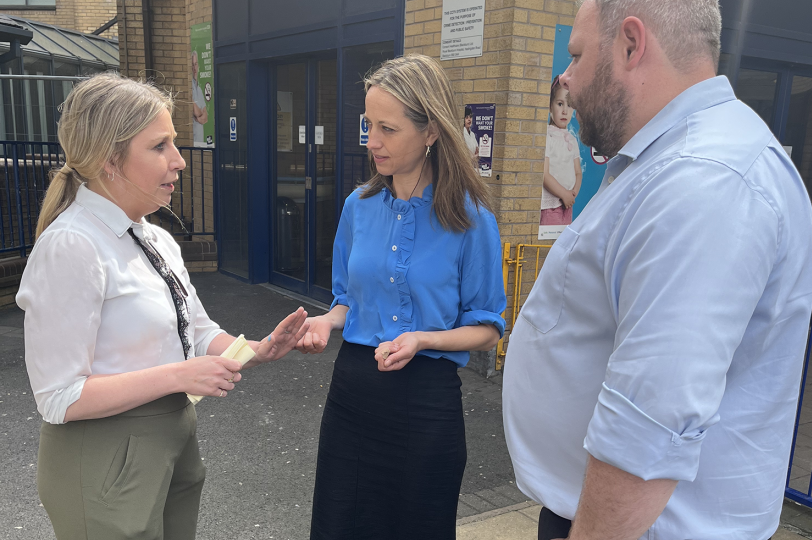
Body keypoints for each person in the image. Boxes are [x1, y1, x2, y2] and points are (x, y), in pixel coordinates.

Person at [502, 0, 812, 539]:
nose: (565, 77)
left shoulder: (702, 179)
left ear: (630, 44)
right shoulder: (668, 161)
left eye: (576, 56)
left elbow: (649, 422)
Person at [16, 73, 309, 540]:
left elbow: (193, 331)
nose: (179, 161)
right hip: (105, 462)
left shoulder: (156, 238)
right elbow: (58, 396)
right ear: (110, 160)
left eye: (174, 143)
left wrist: (255, 349)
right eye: (160, 146)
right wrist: (177, 376)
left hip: (171, 445)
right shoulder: (72, 245)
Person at [296, 54, 506, 540]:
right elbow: (347, 298)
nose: (373, 142)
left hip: (425, 403)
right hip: (352, 394)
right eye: (369, 125)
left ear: (431, 130)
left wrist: (422, 339)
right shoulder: (358, 207)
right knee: (339, 523)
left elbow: (488, 328)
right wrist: (328, 322)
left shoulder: (471, 219)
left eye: (388, 129)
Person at [540, 76, 582, 227]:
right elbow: (544, 174)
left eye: (569, 105)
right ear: (550, 106)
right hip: (550, 206)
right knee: (547, 245)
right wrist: (563, 194)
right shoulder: (547, 135)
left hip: (567, 205)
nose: (565, 110)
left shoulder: (571, 139)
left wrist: (572, 193)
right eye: (559, 104)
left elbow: (578, 172)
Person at [191, 51, 208, 145]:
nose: (194, 68)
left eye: (195, 64)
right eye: (192, 65)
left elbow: (205, 118)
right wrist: (199, 113)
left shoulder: (199, 89)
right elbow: (197, 112)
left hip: (200, 142)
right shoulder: (189, 86)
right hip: (193, 141)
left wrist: (199, 115)